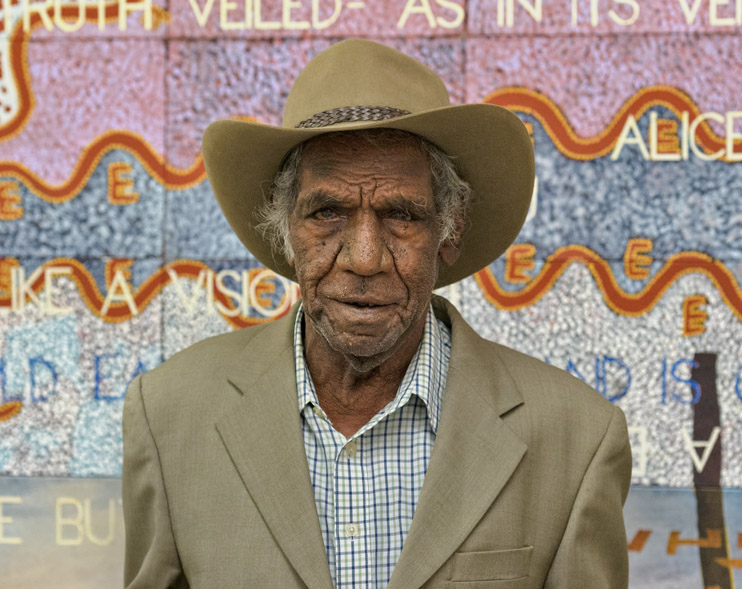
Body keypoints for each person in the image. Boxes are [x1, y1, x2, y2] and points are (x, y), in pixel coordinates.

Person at [122, 40, 632, 588]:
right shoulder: (171, 416)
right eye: (327, 212)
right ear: (287, 228)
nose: (364, 258)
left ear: (449, 230)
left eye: (401, 214)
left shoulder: (575, 438)